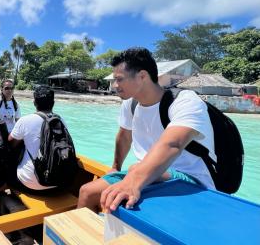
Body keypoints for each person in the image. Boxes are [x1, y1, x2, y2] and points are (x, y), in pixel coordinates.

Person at [77, 47, 215, 213]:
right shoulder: (130, 103)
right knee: (86, 192)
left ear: (142, 76)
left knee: (128, 179)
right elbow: (124, 136)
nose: (115, 85)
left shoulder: (184, 101)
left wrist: (133, 181)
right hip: (147, 172)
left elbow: (173, 144)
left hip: (190, 178)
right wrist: (115, 166)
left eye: (119, 79)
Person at [8, 86, 63, 192]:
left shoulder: (25, 120)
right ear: (53, 103)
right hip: (57, 184)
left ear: (34, 103)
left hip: (30, 184)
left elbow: (11, 144)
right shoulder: (60, 121)